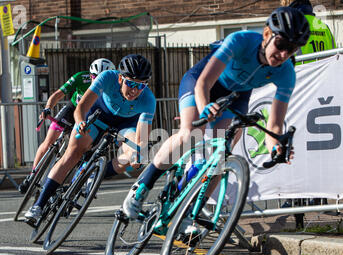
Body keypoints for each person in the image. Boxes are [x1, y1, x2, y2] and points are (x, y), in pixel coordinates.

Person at [122, 7, 310, 222]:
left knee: (221, 155)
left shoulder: (286, 72)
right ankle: (141, 187)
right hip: (202, 83)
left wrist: (275, 146)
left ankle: (189, 211)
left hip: (236, 96)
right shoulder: (241, 40)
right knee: (191, 135)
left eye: (292, 49)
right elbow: (204, 82)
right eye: (282, 45)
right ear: (267, 34)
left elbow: (275, 125)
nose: (284, 54)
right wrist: (204, 108)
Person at [24, 54, 156, 226]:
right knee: (73, 153)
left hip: (125, 125)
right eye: (131, 83)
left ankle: (95, 174)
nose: (135, 91)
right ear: (120, 78)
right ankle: (38, 205)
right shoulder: (107, 77)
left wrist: (139, 154)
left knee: (135, 154)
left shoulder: (148, 99)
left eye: (141, 86)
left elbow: (142, 138)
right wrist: (80, 123)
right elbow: (81, 108)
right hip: (96, 116)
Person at [18, 58, 116, 194]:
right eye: (94, 76)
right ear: (90, 74)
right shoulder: (80, 77)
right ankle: (33, 175)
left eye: (100, 77)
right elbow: (58, 94)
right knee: (49, 141)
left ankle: (68, 184)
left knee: (80, 151)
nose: (96, 80)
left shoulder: (111, 88)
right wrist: (48, 108)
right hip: (72, 109)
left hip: (89, 116)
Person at [282, 0, 336, 227]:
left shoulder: (296, 24)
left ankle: (296, 201)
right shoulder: (323, 26)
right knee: (321, 144)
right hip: (323, 89)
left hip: (300, 87)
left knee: (296, 143)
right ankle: (319, 196)